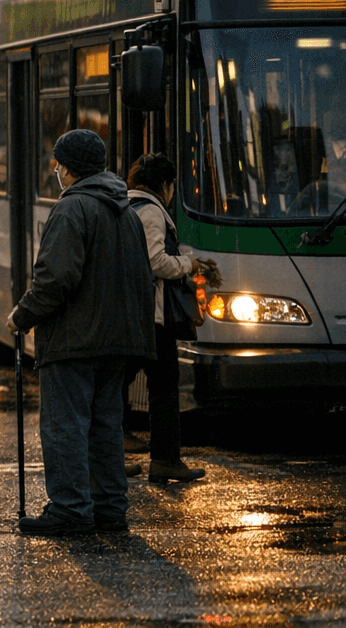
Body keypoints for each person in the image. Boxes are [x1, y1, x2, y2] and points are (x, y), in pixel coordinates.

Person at [6, 129, 156, 535]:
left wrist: (23, 315)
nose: (55, 169)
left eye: (58, 162)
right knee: (106, 426)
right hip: (118, 341)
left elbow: (55, 277)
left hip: (74, 341)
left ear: (69, 168)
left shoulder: (72, 210)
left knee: (65, 426)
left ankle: (71, 508)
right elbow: (143, 278)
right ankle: (109, 508)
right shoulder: (125, 211)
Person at [125, 153, 213, 484]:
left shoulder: (127, 205)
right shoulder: (151, 212)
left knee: (123, 380)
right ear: (165, 185)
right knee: (164, 387)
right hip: (153, 315)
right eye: (172, 185)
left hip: (135, 312)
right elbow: (156, 262)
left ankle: (145, 455)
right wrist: (189, 264)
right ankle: (165, 459)